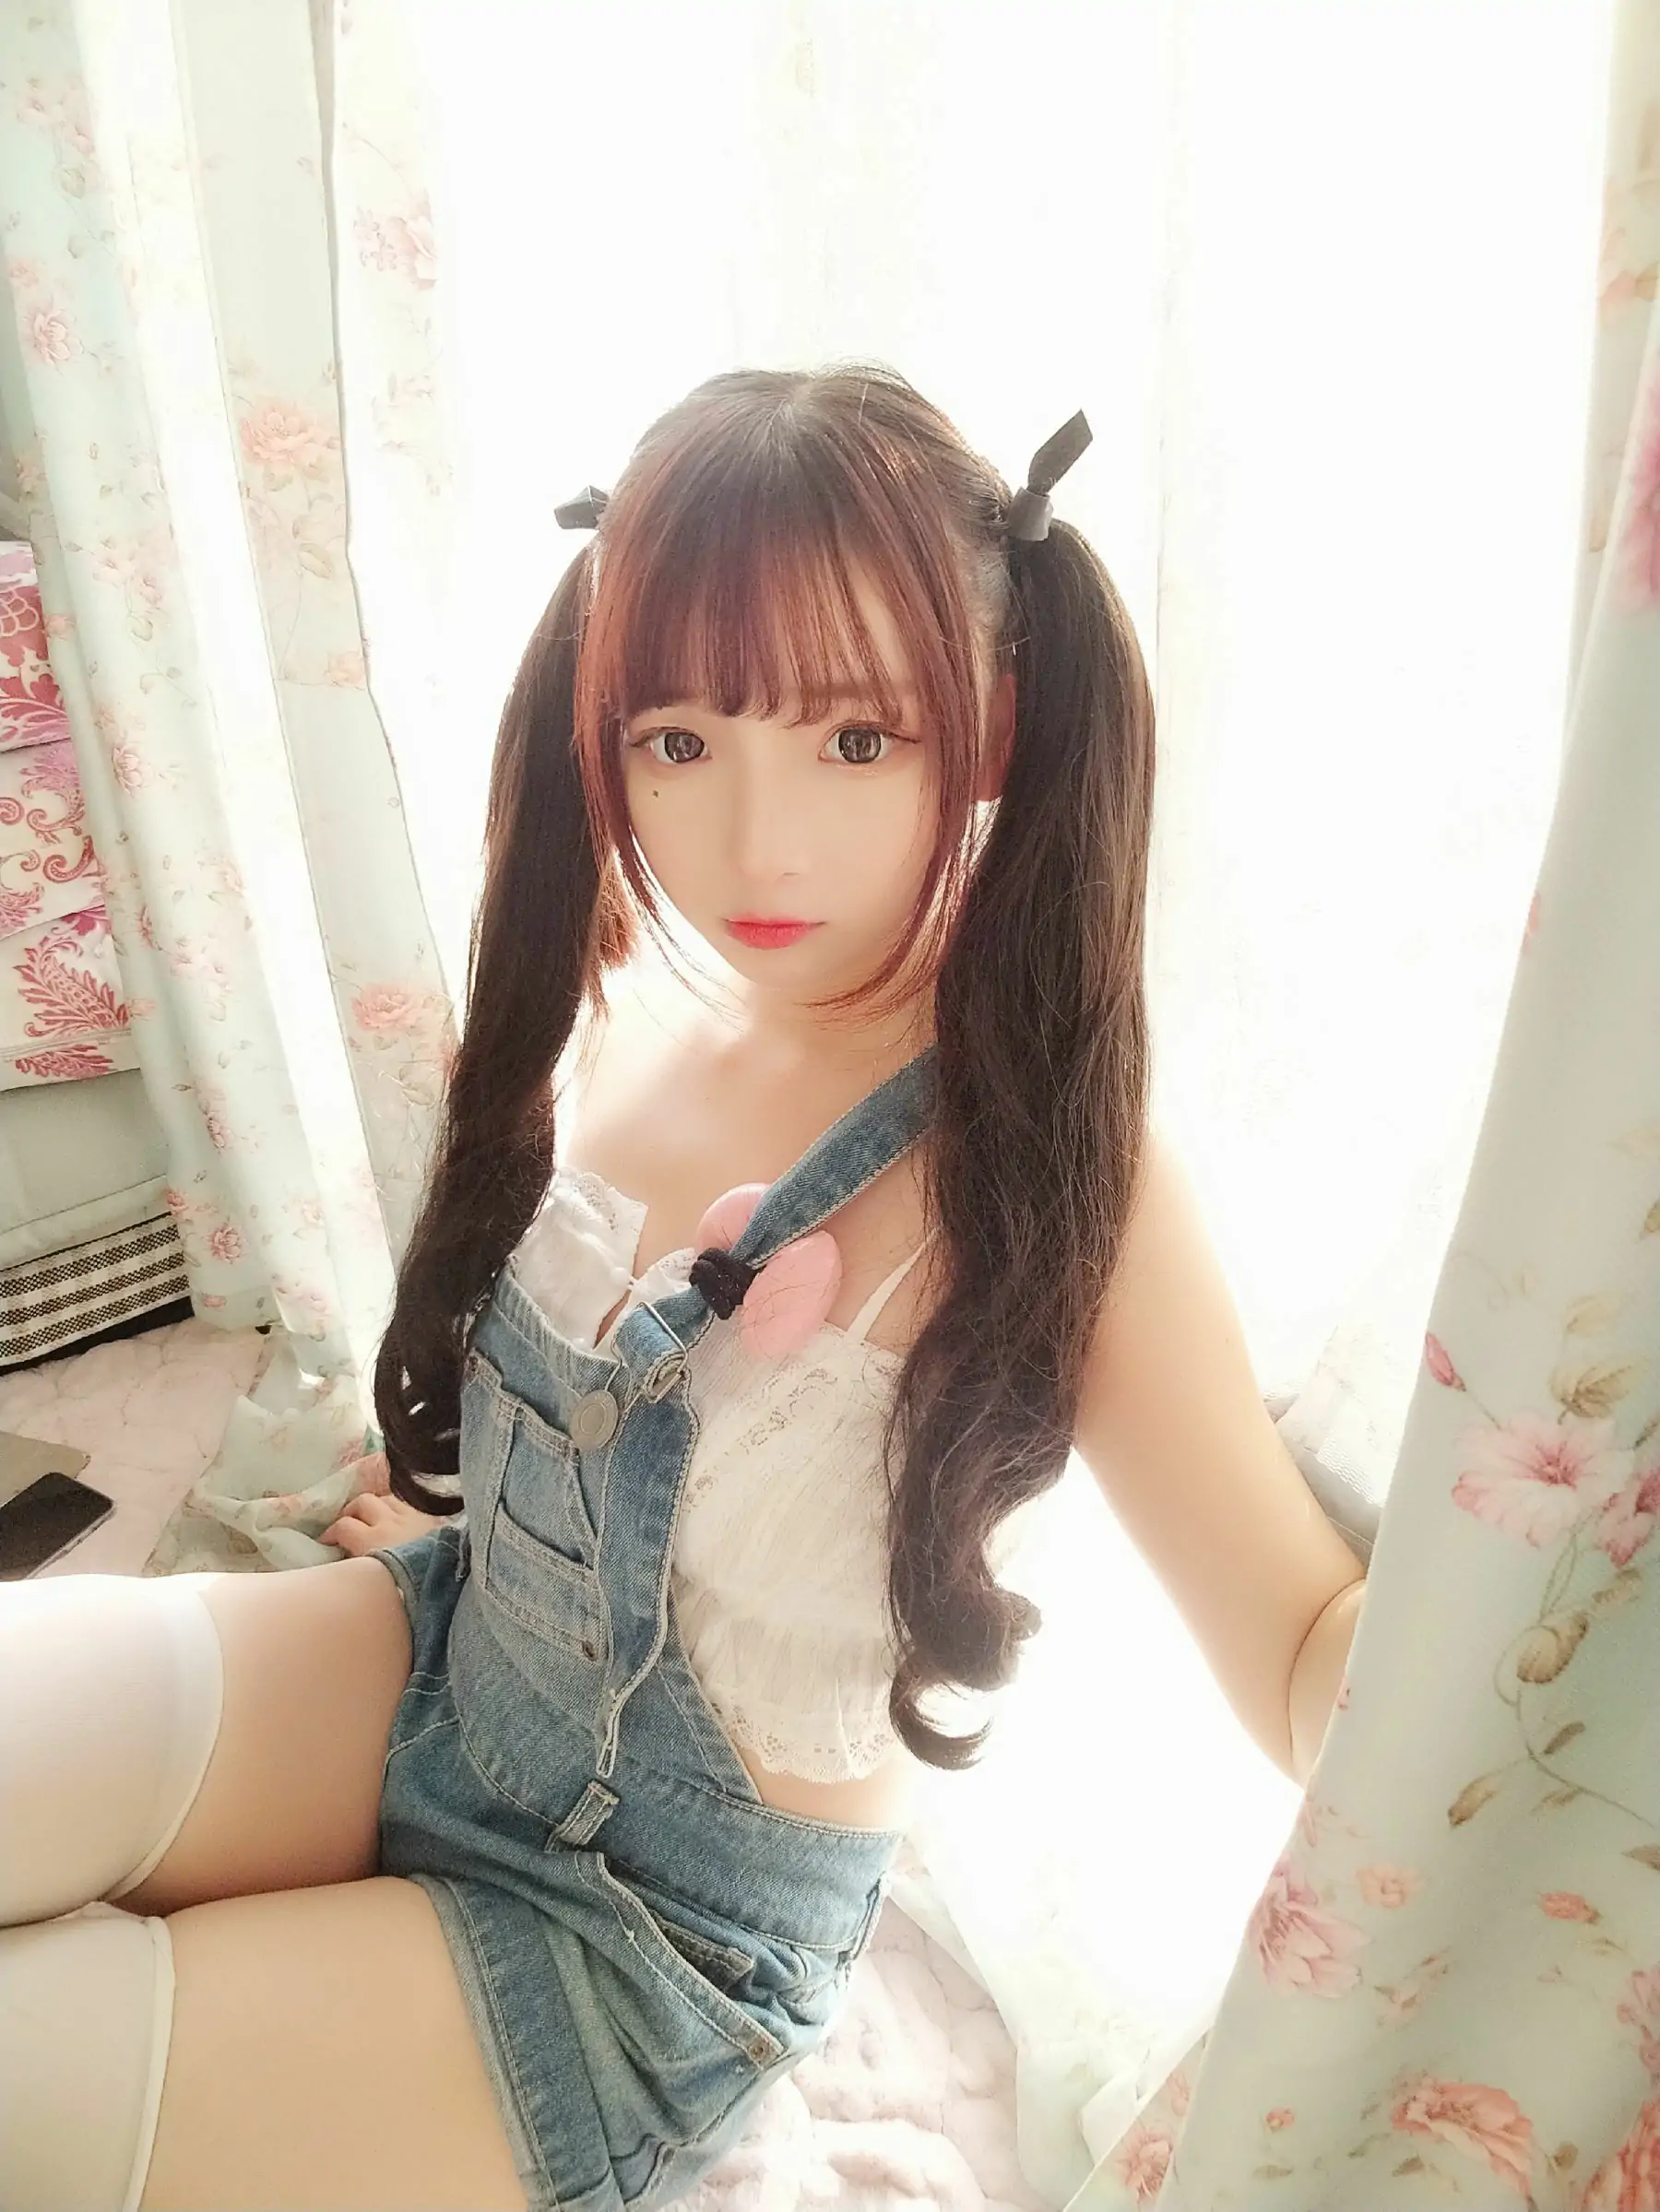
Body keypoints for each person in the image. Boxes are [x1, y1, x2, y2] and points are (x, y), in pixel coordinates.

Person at [0, 361, 1367, 2212]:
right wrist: (451, 1517)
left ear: (994, 719)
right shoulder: (644, 1009)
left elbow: (1302, 1643)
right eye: (679, 739)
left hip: (641, 1940)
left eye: (855, 740)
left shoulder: (1055, 1175)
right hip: (435, 1661)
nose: (755, 844)